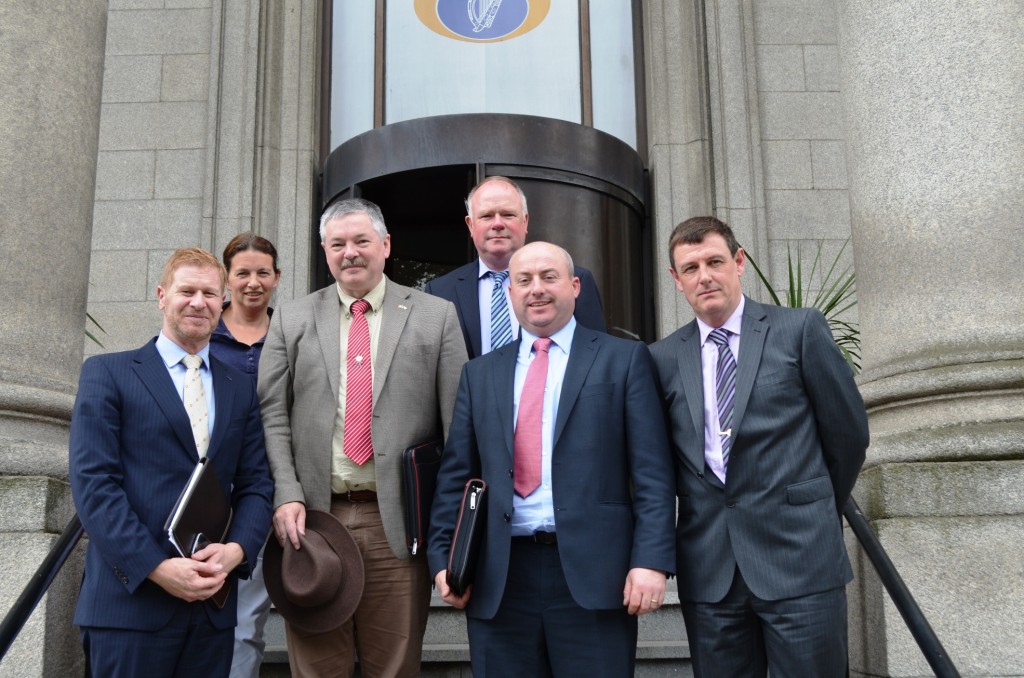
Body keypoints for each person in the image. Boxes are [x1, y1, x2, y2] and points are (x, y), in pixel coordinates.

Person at [428, 241, 675, 676]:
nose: (536, 289)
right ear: (510, 294)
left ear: (575, 286)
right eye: (523, 280)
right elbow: (456, 476)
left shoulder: (623, 360)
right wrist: (442, 561)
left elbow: (652, 474)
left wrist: (651, 560)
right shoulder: (479, 373)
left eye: (549, 277)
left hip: (595, 576)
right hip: (500, 579)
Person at [649, 216, 870, 677]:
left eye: (714, 261)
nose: (704, 276)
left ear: (739, 261)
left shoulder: (800, 330)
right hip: (711, 573)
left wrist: (810, 509)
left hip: (800, 561)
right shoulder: (661, 358)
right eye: (690, 268)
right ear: (675, 279)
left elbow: (848, 437)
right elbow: (657, 462)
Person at [258, 198, 468, 677]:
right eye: (338, 244)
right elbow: (272, 415)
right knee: (316, 668)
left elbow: (458, 424)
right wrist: (286, 493)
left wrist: (447, 523)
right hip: (312, 521)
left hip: (395, 526)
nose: (349, 252)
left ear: (386, 245)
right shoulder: (291, 318)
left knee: (393, 668)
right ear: (324, 251)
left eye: (361, 241)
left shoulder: (436, 316)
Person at [69, 248, 274, 677]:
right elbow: (94, 485)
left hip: (211, 609)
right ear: (162, 296)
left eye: (209, 293)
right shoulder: (108, 373)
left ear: (223, 303)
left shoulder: (239, 388)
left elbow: (256, 483)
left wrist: (236, 551)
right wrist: (157, 568)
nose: (198, 302)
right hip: (131, 608)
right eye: (187, 291)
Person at [424, 176, 606, 358]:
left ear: (525, 221)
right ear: (470, 225)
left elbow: (595, 356)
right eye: (487, 216)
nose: (497, 224)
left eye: (507, 215)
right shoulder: (440, 292)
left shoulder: (573, 280)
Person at [209, 233, 281, 677]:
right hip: (216, 496)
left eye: (263, 273)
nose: (253, 283)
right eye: (243, 273)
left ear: (276, 278)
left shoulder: (292, 331)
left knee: (249, 621)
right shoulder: (203, 333)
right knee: (226, 617)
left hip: (283, 490)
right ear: (226, 279)